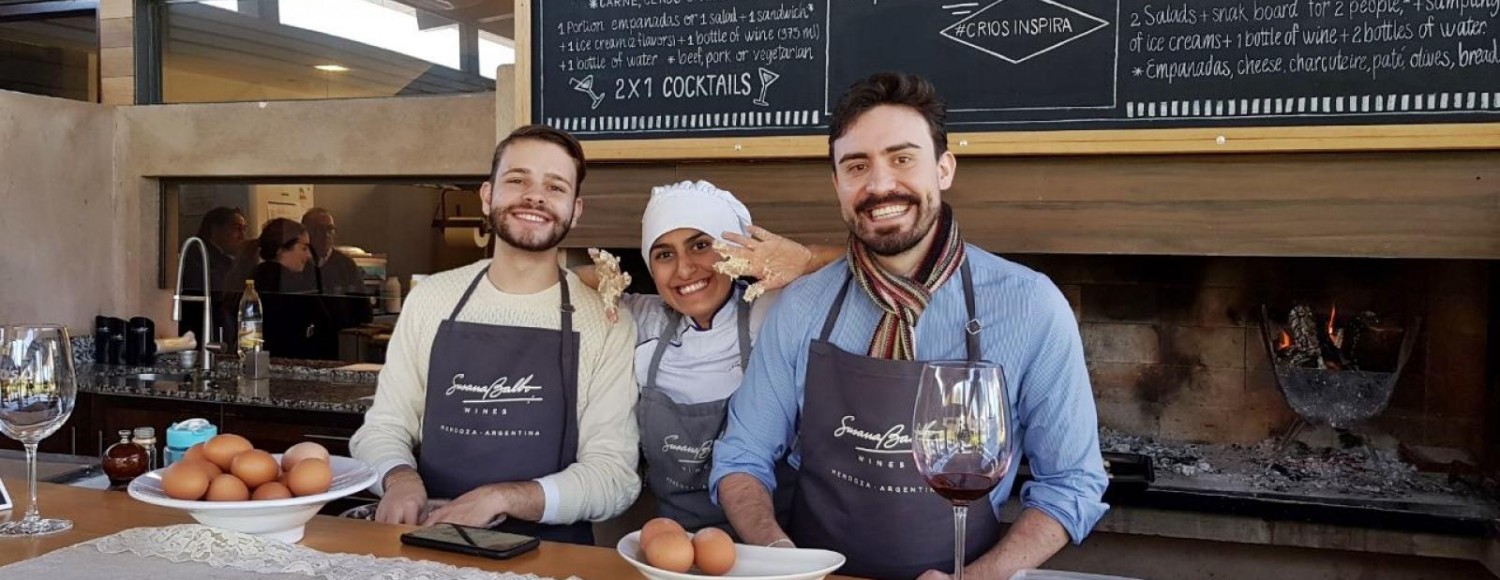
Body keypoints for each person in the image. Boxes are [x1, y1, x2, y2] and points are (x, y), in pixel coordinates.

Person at [709, 72, 1108, 579]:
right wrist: (779, 556)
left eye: (902, 159)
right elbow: (741, 457)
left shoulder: (1031, 307)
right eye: (857, 166)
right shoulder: (801, 307)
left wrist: (975, 579)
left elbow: (1070, 484)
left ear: (944, 168)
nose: (880, 186)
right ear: (837, 185)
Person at [350, 125, 640, 545]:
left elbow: (613, 476)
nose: (535, 196)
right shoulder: (431, 300)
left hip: (551, 558)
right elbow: (383, 428)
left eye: (555, 187)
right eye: (518, 179)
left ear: (575, 210)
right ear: (487, 195)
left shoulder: (606, 320)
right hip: (430, 541)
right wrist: (399, 479)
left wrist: (503, 498)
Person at [573, 181, 838, 533]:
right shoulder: (640, 319)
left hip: (773, 537)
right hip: (678, 540)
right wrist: (598, 276)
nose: (684, 270)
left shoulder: (774, 310)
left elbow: (874, 268)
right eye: (664, 255)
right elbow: (543, 285)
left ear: (735, 253)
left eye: (700, 246)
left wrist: (807, 259)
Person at [300, 208, 373, 359]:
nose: (326, 235)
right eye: (319, 229)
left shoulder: (346, 265)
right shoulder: (298, 263)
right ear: (306, 232)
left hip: (340, 345)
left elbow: (364, 313)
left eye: (330, 229)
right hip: (304, 345)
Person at [249, 218, 324, 359]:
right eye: (303, 248)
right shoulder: (290, 284)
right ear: (281, 250)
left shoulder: (255, 277)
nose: (308, 255)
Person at [179, 206, 246, 342]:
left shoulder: (224, 259)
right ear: (215, 229)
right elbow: (218, 289)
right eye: (236, 228)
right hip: (200, 332)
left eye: (244, 229)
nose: (242, 236)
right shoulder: (197, 255)